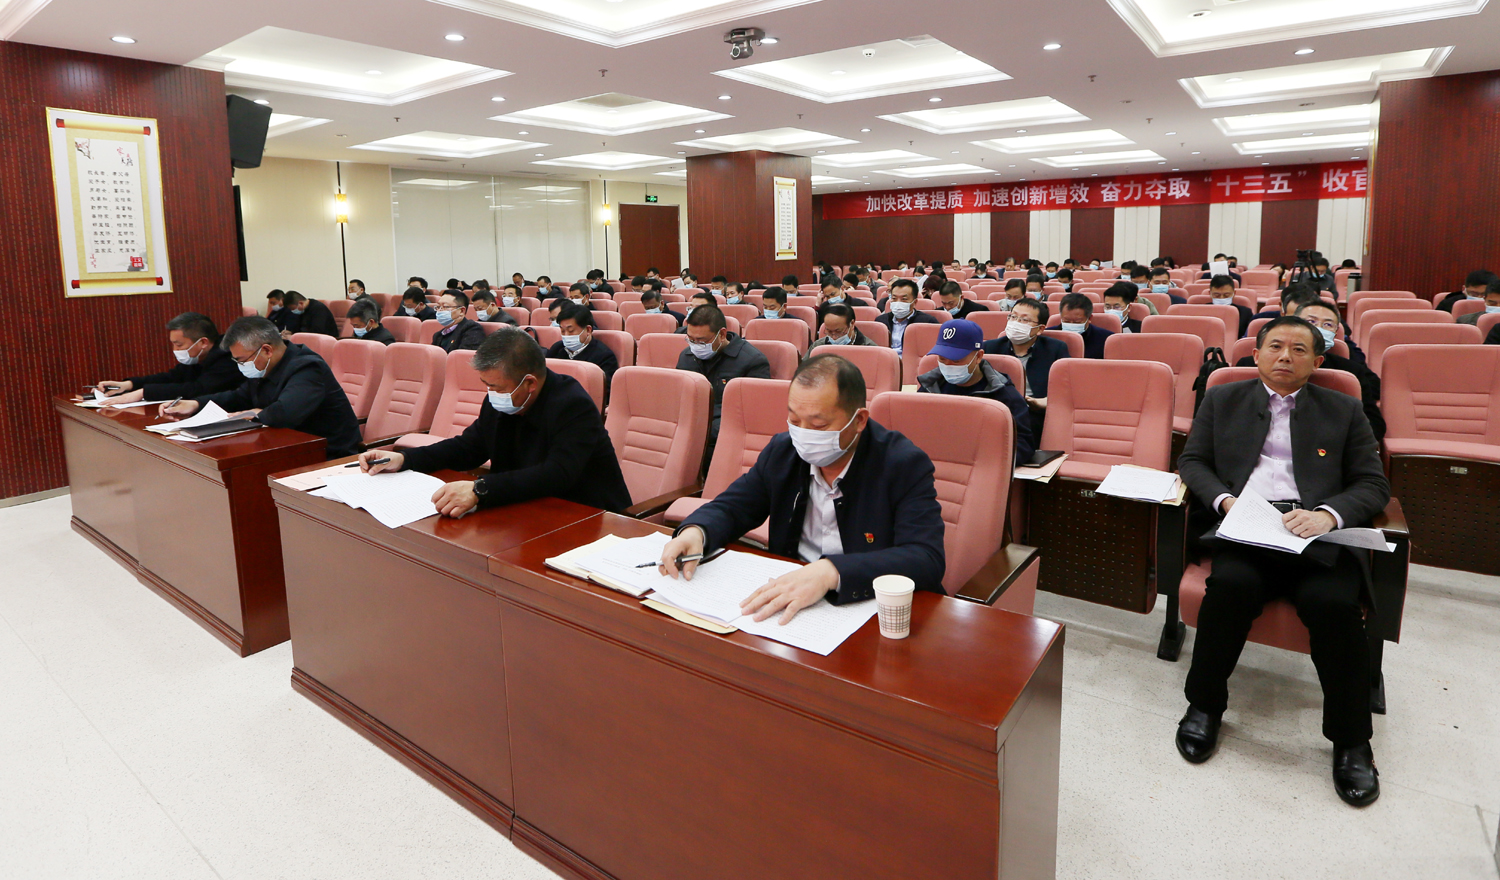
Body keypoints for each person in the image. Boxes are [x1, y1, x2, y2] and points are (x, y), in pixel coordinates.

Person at [1175, 315, 1389, 808]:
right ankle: (1204, 707)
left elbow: (1373, 483)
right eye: (1275, 346)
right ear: (1256, 354)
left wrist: (1328, 515)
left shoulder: (1344, 408)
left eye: (1298, 349)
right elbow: (1192, 462)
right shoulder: (1222, 398)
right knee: (1229, 589)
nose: (1285, 357)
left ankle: (1352, 741)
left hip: (1314, 535)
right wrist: (1227, 502)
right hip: (1247, 528)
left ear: (1318, 360)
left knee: (1333, 607)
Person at [659, 354, 945, 623]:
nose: (803, 434)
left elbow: (925, 558)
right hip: (794, 602)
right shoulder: (783, 451)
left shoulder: (901, 464)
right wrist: (697, 531)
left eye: (818, 425)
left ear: (858, 420)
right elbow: (733, 507)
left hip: (870, 606)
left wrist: (831, 571)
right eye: (795, 421)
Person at [358, 329, 631, 515]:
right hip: (525, 508)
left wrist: (480, 489)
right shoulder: (501, 398)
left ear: (530, 383)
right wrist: (405, 459)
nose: (490, 393)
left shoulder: (573, 404)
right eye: (486, 385)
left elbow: (557, 474)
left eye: (496, 387)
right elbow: (468, 447)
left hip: (588, 515)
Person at [160, 317, 361, 459]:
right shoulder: (265, 368)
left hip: (328, 453)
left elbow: (285, 413)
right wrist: (195, 404)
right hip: (288, 446)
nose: (240, 366)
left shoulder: (307, 367)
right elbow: (238, 396)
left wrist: (257, 413)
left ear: (266, 350)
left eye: (242, 360)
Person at [1233, 293, 1385, 441]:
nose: (1319, 328)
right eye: (1311, 322)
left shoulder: (1350, 370)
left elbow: (1374, 425)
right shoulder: (1251, 364)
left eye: (1328, 325)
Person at [917, 319, 1035, 463]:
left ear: (978, 356)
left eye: (956, 360)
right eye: (942, 359)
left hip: (979, 465)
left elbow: (1023, 445)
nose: (948, 365)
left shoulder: (1004, 394)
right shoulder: (930, 386)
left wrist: (982, 458)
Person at [95, 312, 244, 404]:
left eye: (179, 345)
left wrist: (144, 393)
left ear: (203, 342)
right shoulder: (197, 357)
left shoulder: (228, 356)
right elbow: (172, 377)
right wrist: (129, 384)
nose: (175, 350)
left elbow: (199, 389)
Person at [676, 304, 771, 442]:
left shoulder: (753, 361)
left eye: (702, 341)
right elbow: (679, 398)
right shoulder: (686, 356)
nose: (695, 345)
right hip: (688, 429)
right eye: (691, 339)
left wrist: (700, 430)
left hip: (726, 436)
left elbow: (752, 413)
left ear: (722, 334)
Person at [982, 298, 1069, 440]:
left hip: (1035, 413)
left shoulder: (1056, 349)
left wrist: (1046, 402)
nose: (1016, 322)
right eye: (1013, 316)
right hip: (998, 411)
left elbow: (1067, 389)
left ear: (1040, 329)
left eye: (1024, 320)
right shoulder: (990, 347)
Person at [546, 303, 618, 392]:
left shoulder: (605, 356)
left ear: (588, 330)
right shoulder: (557, 348)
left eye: (571, 331)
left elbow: (603, 392)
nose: (566, 335)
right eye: (562, 331)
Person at [875, 278, 938, 355]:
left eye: (904, 299)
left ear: (914, 302)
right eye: (894, 298)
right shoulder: (880, 321)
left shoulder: (927, 322)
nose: (898, 303)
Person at [1057, 292, 1113, 358]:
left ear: (1089, 318)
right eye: (1066, 320)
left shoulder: (1106, 339)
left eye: (1077, 322)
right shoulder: (1050, 336)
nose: (1071, 324)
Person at [807, 304, 875, 355]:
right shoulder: (818, 346)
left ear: (852, 324)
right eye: (829, 331)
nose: (834, 337)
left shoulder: (869, 349)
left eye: (838, 331)